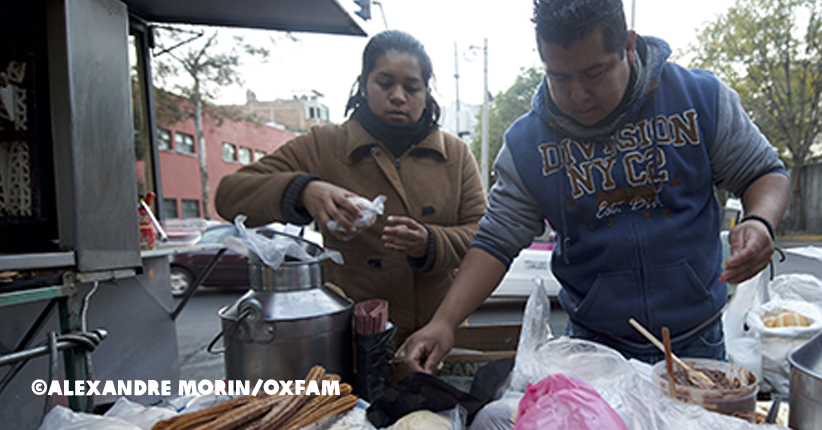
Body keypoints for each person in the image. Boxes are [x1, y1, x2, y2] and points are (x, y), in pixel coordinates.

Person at [403, 0, 789, 371]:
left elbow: (764, 172)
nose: (577, 95)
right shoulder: (527, 144)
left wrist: (760, 221)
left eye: (594, 73)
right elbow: (495, 240)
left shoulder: (699, 98)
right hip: (594, 349)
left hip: (695, 344)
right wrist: (446, 321)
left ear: (628, 46)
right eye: (559, 77)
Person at [215, 30, 487, 345]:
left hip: (438, 336)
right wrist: (304, 190)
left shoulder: (455, 154)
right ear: (362, 84)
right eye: (384, 83)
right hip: (350, 338)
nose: (398, 96)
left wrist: (431, 242)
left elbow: (482, 237)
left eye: (412, 87)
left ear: (426, 91)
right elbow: (230, 194)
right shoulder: (323, 145)